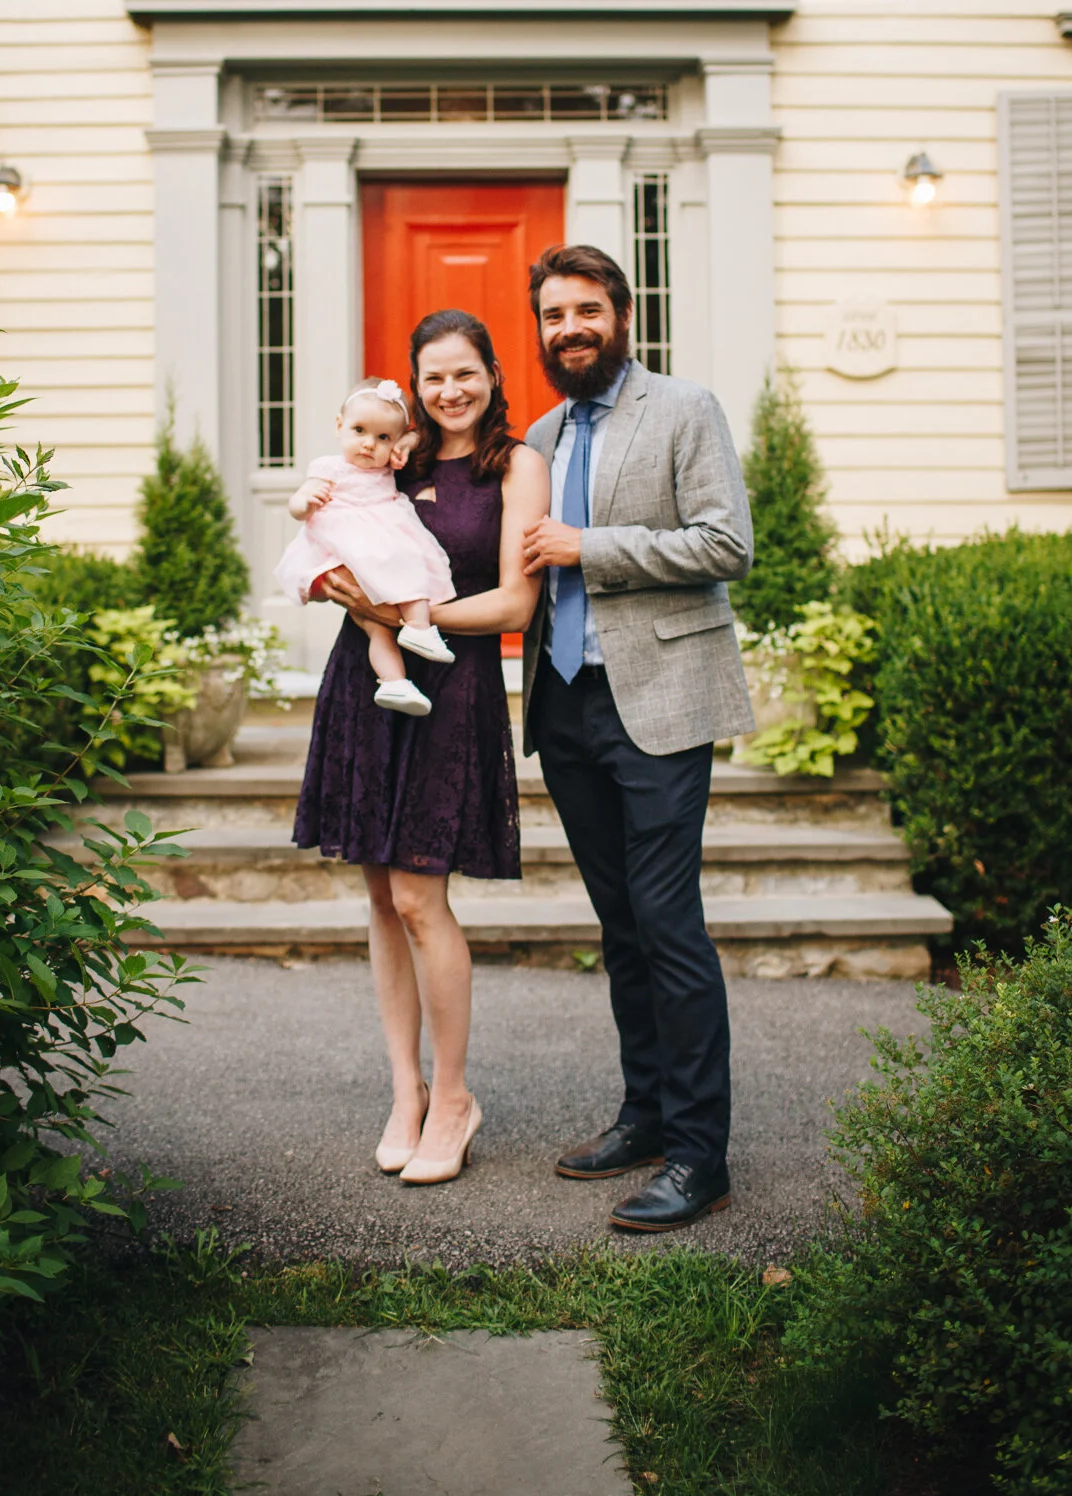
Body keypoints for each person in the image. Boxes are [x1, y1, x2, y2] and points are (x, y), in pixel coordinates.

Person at [521, 244, 754, 1233]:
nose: (569, 328)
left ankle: (700, 1156)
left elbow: (726, 543)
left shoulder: (684, 408)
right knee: (620, 925)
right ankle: (646, 1114)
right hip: (566, 704)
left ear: (621, 314)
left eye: (586, 310)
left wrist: (591, 547)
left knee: (667, 923)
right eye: (552, 315)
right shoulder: (539, 433)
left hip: (658, 699)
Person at [294, 311, 550, 1186]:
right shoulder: (387, 455)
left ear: (491, 375)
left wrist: (410, 614)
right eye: (433, 377)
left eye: (465, 373)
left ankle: (454, 1098)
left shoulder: (514, 466)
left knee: (417, 896)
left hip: (452, 684)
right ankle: (406, 1091)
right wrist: (336, 585)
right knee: (379, 893)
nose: (450, 390)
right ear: (413, 387)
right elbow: (329, 533)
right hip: (367, 681)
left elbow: (515, 604)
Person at [275, 376, 456, 717]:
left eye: (383, 437)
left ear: (396, 443)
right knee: (396, 590)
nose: (369, 444)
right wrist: (305, 502)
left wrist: (408, 439)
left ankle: (402, 663)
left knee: (396, 598)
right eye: (359, 430)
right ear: (339, 426)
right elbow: (297, 506)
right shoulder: (329, 468)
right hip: (350, 550)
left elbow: (424, 434)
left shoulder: (389, 465)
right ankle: (407, 651)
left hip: (378, 552)